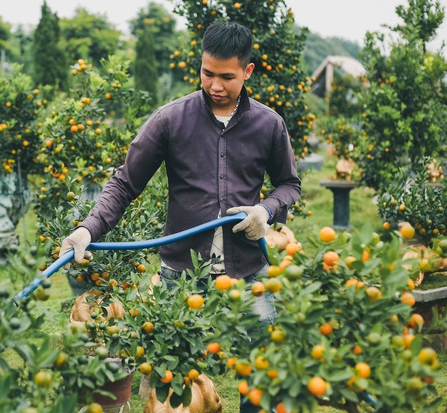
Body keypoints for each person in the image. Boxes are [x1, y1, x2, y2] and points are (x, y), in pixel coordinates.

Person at [60, 21, 301, 412]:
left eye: (227, 77)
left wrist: (266, 210)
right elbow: (124, 184)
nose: (215, 86)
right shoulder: (170, 119)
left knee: (262, 379)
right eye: (208, 73)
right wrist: (87, 229)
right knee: (172, 388)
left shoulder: (268, 124)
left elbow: (290, 184)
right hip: (182, 277)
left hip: (249, 272)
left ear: (248, 71)